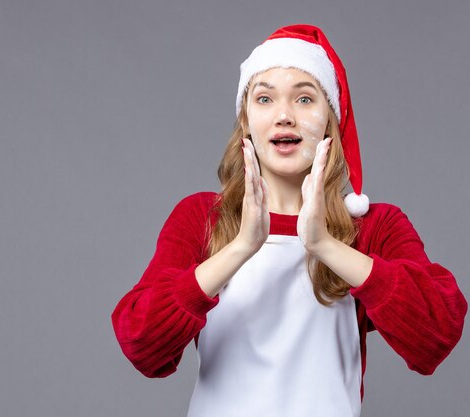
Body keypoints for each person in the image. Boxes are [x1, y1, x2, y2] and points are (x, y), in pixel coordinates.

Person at [110, 24, 468, 416]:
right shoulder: (202, 217)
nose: (284, 116)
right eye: (264, 98)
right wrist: (242, 246)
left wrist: (325, 246)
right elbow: (140, 342)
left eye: (304, 99)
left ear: (332, 118)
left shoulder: (372, 227)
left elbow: (437, 334)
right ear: (246, 121)